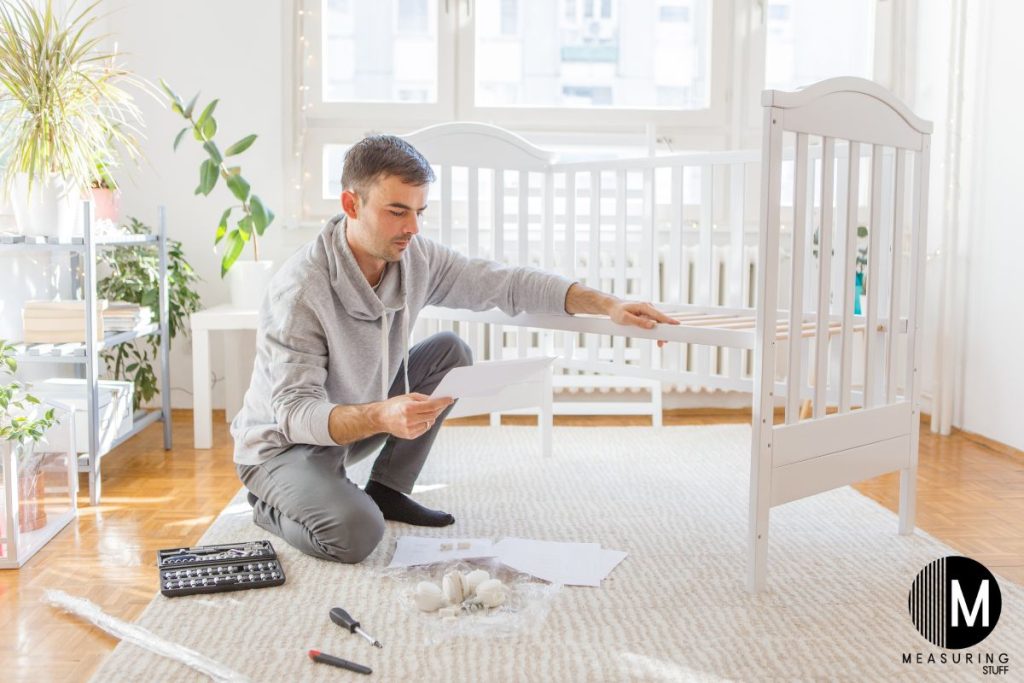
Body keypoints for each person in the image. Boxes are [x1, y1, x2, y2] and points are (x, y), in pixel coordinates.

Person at [230, 135, 678, 564]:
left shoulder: (414, 257)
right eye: (397, 211)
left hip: (352, 426)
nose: (412, 228)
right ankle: (268, 505)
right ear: (351, 204)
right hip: (284, 446)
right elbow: (295, 413)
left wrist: (607, 304)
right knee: (356, 534)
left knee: (450, 352)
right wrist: (381, 415)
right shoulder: (300, 291)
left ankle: (387, 489)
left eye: (419, 211)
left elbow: (505, 283)